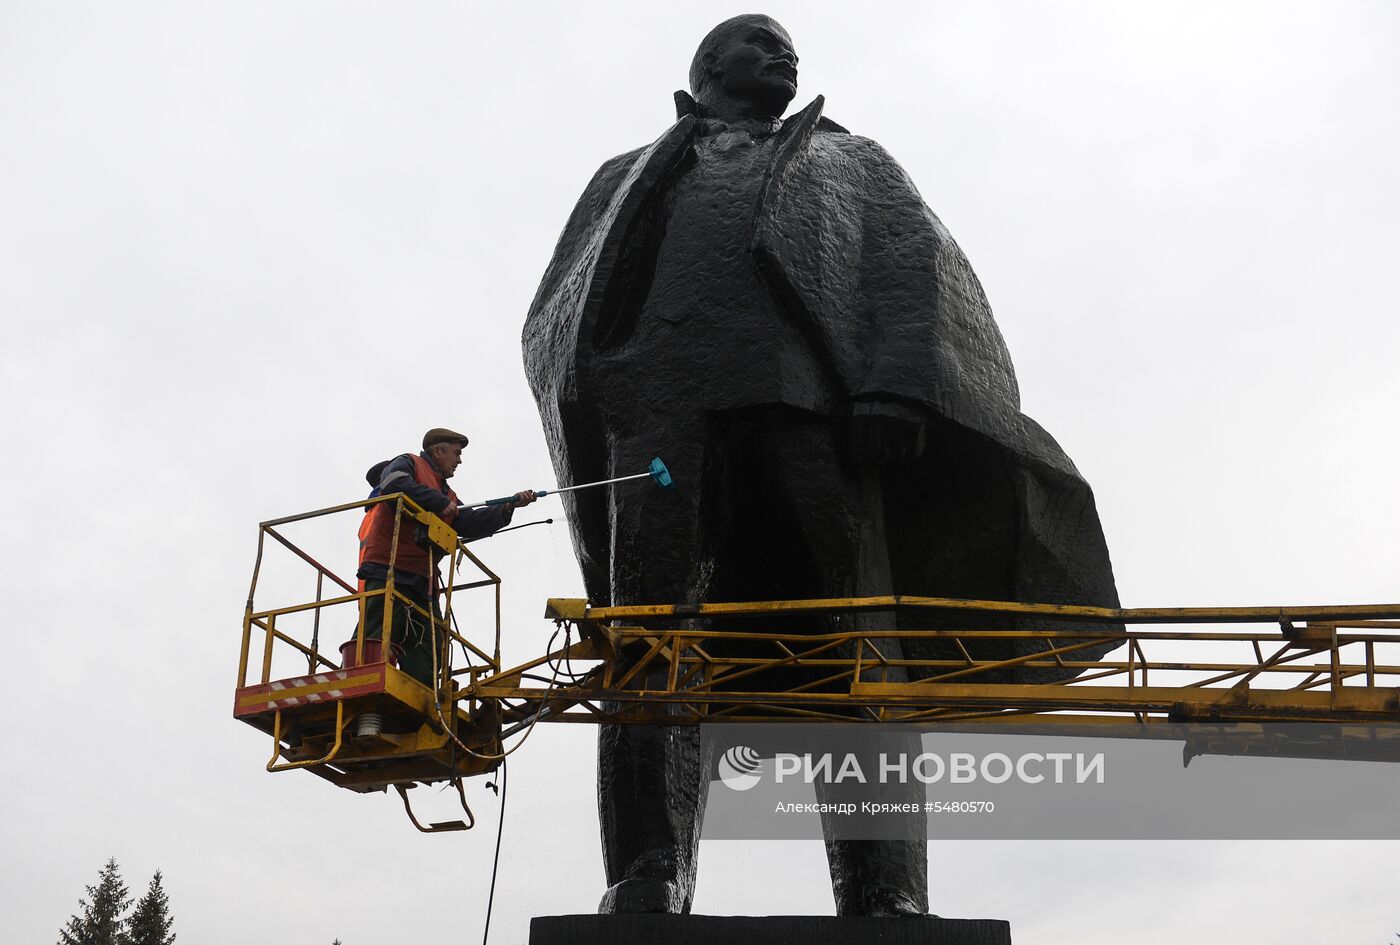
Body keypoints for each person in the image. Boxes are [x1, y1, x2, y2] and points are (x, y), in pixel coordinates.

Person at [522, 15, 1120, 915]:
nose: (785, 55)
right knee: (647, 642)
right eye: (762, 42)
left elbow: (911, 270)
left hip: (806, 412)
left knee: (852, 640)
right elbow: (560, 306)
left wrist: (899, 389)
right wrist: (599, 388)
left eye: (791, 49)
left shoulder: (853, 162)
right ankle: (647, 872)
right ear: (708, 66)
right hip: (656, 426)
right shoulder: (625, 175)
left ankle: (886, 889)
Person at [356, 428, 536, 686]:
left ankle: (422, 702)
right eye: (456, 453)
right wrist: (436, 503)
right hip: (386, 571)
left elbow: (469, 521)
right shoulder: (409, 463)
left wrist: (508, 506)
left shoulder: (446, 493)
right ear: (438, 450)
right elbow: (394, 483)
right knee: (375, 638)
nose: (459, 460)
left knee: (429, 645)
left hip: (421, 582)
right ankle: (358, 687)